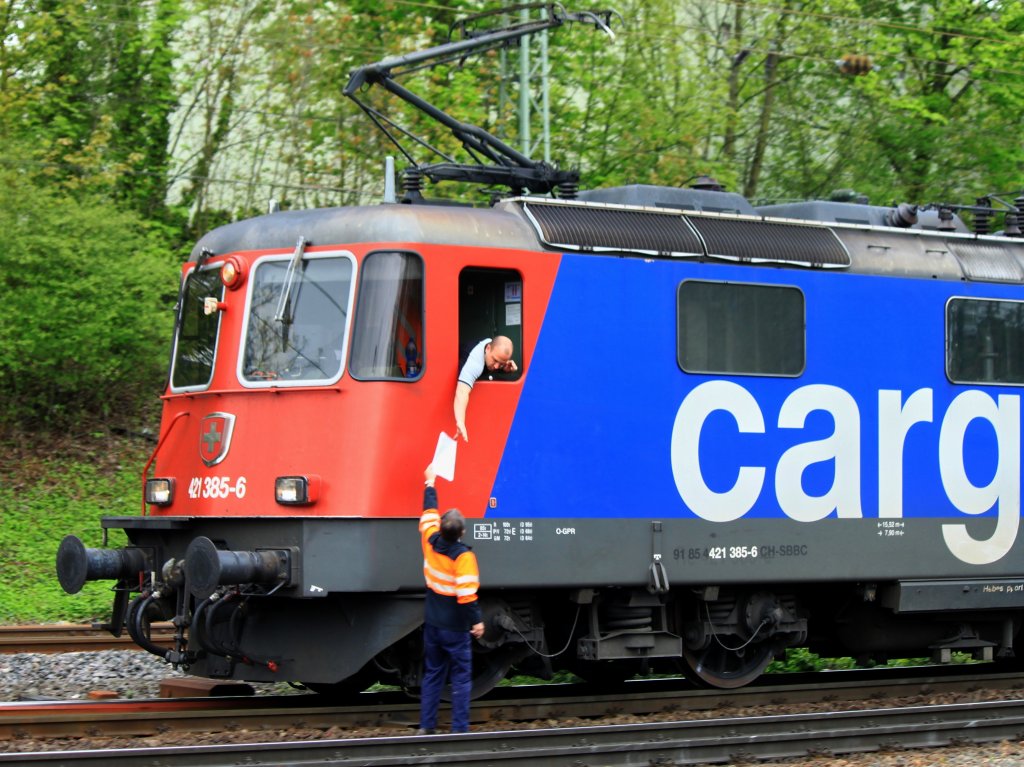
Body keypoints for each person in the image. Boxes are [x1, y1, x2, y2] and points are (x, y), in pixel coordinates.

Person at [417, 464, 485, 735]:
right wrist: (478, 622)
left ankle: (426, 726)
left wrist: (430, 482)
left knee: (433, 674)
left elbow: (428, 514)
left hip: (432, 622)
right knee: (460, 678)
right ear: (462, 533)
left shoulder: (429, 540)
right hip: (455, 628)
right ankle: (459, 729)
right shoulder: (463, 557)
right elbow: (467, 594)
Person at [453, 335, 518, 442]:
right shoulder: (474, 362)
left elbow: (495, 364)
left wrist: (505, 369)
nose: (496, 366)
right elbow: (462, 392)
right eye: (495, 360)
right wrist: (460, 421)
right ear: (488, 348)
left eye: (500, 364)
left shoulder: (490, 345)